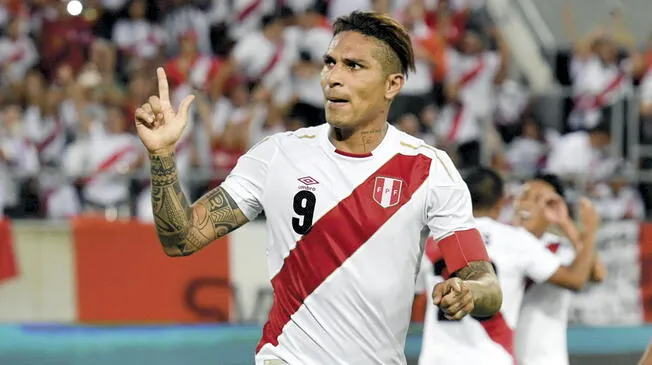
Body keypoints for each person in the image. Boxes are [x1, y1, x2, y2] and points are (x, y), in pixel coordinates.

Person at [134, 11, 502, 365]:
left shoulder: (428, 169)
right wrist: (162, 155)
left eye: (353, 66)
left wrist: (469, 292)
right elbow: (180, 239)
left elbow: (485, 282)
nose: (332, 78)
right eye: (330, 63)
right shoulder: (277, 155)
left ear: (393, 84)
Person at [417, 167, 601, 365]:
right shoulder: (516, 240)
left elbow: (412, 294)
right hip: (491, 355)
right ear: (502, 202)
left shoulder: (434, 240)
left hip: (436, 358)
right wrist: (589, 229)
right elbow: (576, 279)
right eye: (526, 196)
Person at [514, 173, 607, 365]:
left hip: (546, 358)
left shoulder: (559, 247)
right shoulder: (501, 240)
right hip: (504, 356)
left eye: (540, 199)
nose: (528, 204)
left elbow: (597, 274)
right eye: (525, 196)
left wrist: (566, 223)